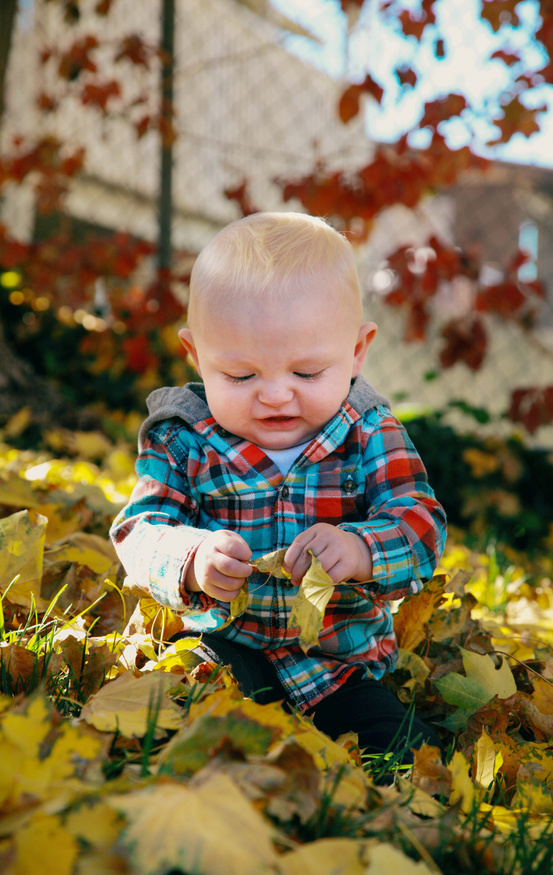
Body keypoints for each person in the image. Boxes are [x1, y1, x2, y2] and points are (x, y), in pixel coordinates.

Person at [110, 211, 447, 763]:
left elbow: (422, 525)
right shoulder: (183, 438)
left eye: (306, 374)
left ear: (357, 351)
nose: (274, 396)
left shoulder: (370, 433)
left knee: (403, 752)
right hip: (222, 645)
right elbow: (138, 531)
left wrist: (361, 549)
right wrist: (191, 558)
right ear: (196, 356)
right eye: (241, 376)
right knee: (185, 710)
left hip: (338, 669)